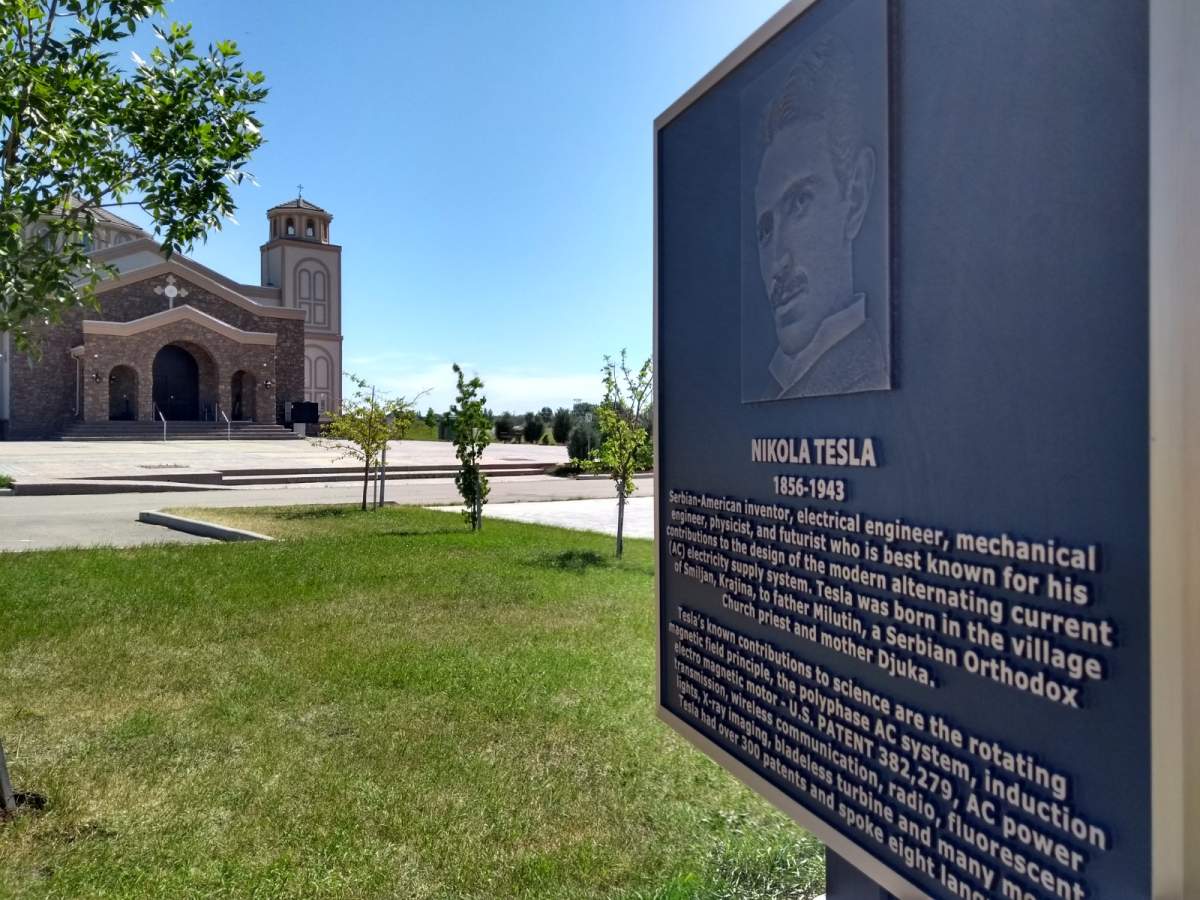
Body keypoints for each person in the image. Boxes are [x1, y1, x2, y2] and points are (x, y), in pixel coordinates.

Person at [752, 34, 888, 399]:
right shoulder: (777, 387)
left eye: (799, 203)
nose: (778, 261)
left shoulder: (865, 378)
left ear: (856, 195)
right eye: (766, 229)